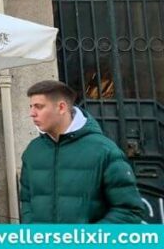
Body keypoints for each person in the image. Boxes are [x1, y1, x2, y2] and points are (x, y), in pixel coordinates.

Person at [20, 80, 144, 223]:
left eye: (39, 107)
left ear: (61, 107)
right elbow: (27, 202)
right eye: (31, 107)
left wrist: (87, 238)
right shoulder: (33, 151)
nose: (32, 113)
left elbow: (128, 211)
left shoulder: (104, 150)